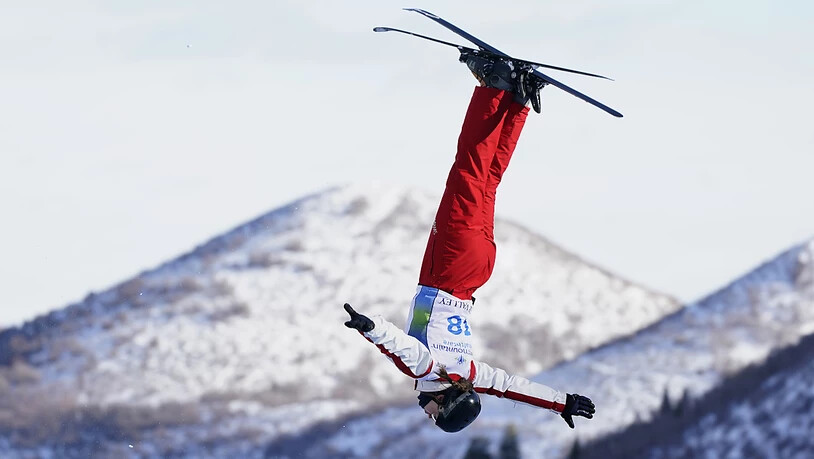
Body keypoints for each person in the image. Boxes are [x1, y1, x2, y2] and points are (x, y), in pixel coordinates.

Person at [343, 52, 596, 433]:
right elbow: (399, 346)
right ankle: (494, 85)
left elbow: (511, 388)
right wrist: (369, 327)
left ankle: (518, 99)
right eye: (434, 413)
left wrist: (562, 402)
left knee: (487, 181)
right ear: (446, 400)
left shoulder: (473, 373)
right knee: (468, 171)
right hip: (449, 267)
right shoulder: (428, 370)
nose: (426, 411)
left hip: (477, 271)